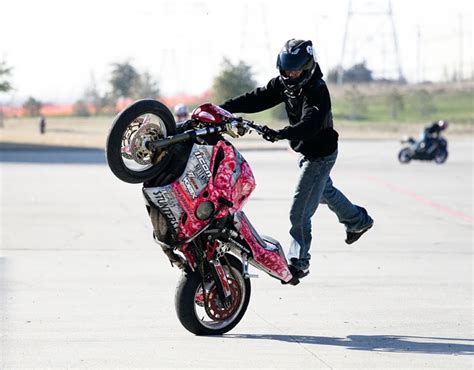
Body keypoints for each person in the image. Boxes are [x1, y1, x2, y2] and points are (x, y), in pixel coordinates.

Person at [220, 39, 374, 281]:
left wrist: (282, 133)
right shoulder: (283, 84)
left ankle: (299, 262)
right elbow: (257, 97)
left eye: (297, 69)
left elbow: (309, 123)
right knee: (324, 191)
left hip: (320, 156)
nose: (291, 74)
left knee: (299, 212)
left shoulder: (317, 90)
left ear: (309, 67)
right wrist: (223, 109)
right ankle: (358, 221)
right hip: (307, 152)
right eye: (287, 68)